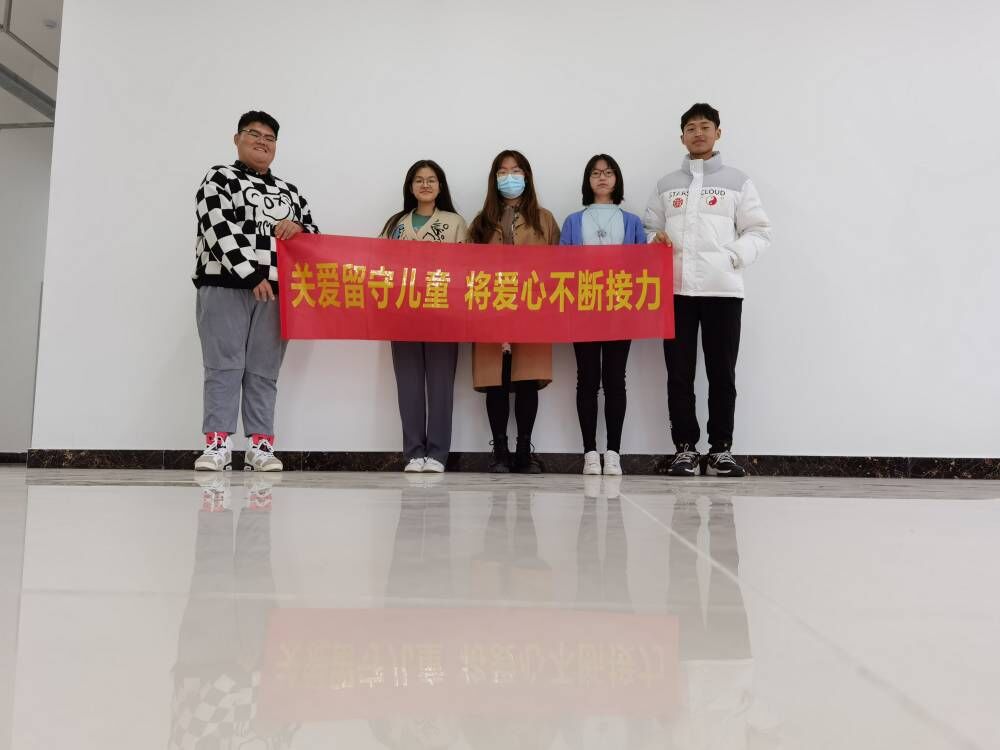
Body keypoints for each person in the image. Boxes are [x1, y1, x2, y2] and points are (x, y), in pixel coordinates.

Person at [644, 103, 772, 477]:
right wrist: (655, 240)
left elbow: (759, 231)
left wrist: (732, 257)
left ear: (718, 132)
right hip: (676, 293)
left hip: (723, 292)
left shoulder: (738, 181)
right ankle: (685, 449)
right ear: (682, 137)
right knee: (679, 374)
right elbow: (649, 228)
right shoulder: (666, 185)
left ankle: (720, 450)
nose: (698, 133)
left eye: (704, 126)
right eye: (690, 128)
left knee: (722, 374)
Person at [192, 110, 318, 472]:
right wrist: (250, 274)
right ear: (237, 139)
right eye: (254, 134)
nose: (262, 142)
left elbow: (314, 235)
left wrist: (299, 228)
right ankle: (217, 444)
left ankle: (260, 446)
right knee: (223, 365)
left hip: (277, 293)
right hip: (225, 283)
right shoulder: (219, 178)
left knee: (265, 370)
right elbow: (217, 228)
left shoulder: (291, 192)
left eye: (269, 138)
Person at [467, 150, 560, 474]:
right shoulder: (481, 221)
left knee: (526, 379)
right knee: (496, 379)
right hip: (490, 307)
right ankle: (500, 450)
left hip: (532, 308)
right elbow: (466, 268)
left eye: (516, 170)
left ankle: (524, 450)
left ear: (527, 177)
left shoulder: (544, 219)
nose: (510, 177)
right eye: (503, 172)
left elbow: (560, 266)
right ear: (494, 179)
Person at [560, 154, 646, 476]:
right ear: (588, 180)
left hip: (620, 310)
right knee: (586, 379)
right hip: (583, 308)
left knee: (614, 380)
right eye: (595, 173)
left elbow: (642, 268)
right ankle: (589, 453)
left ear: (616, 179)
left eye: (608, 172)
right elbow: (562, 268)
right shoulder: (573, 221)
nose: (602, 178)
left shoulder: (632, 222)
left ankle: (613, 452)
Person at [380, 160, 468, 473]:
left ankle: (438, 454)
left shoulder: (455, 222)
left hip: (442, 312)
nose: (425, 185)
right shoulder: (396, 224)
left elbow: (465, 267)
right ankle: (414, 452)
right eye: (419, 180)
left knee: (441, 385)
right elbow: (379, 265)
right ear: (410, 186)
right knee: (409, 385)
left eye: (431, 179)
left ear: (440, 186)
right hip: (402, 313)